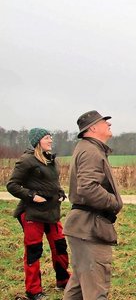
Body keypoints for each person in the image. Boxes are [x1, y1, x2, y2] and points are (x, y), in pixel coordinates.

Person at [63, 110, 123, 300]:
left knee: (79, 287)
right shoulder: (90, 151)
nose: (109, 124)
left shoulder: (88, 148)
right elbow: (88, 188)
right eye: (105, 122)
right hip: (89, 229)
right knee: (96, 291)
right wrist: (114, 203)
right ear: (93, 128)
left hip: (83, 228)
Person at [6, 128, 71, 300]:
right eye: (47, 138)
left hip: (52, 212)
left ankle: (63, 281)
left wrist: (60, 192)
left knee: (60, 247)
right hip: (32, 214)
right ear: (37, 141)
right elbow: (12, 185)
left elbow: (52, 182)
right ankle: (33, 290)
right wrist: (32, 196)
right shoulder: (27, 160)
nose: (51, 141)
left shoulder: (52, 160)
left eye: (51, 137)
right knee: (34, 252)